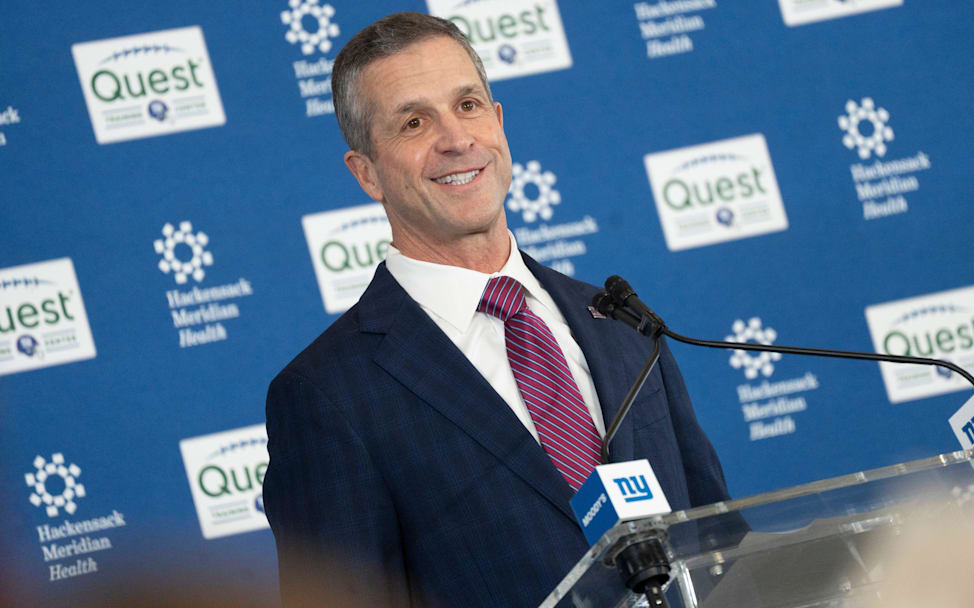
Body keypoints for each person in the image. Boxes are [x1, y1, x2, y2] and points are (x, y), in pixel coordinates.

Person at [263, 12, 744, 607]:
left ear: (498, 122)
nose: (456, 139)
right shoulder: (328, 395)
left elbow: (717, 546)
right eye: (414, 122)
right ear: (367, 173)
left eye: (467, 106)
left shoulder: (621, 323)